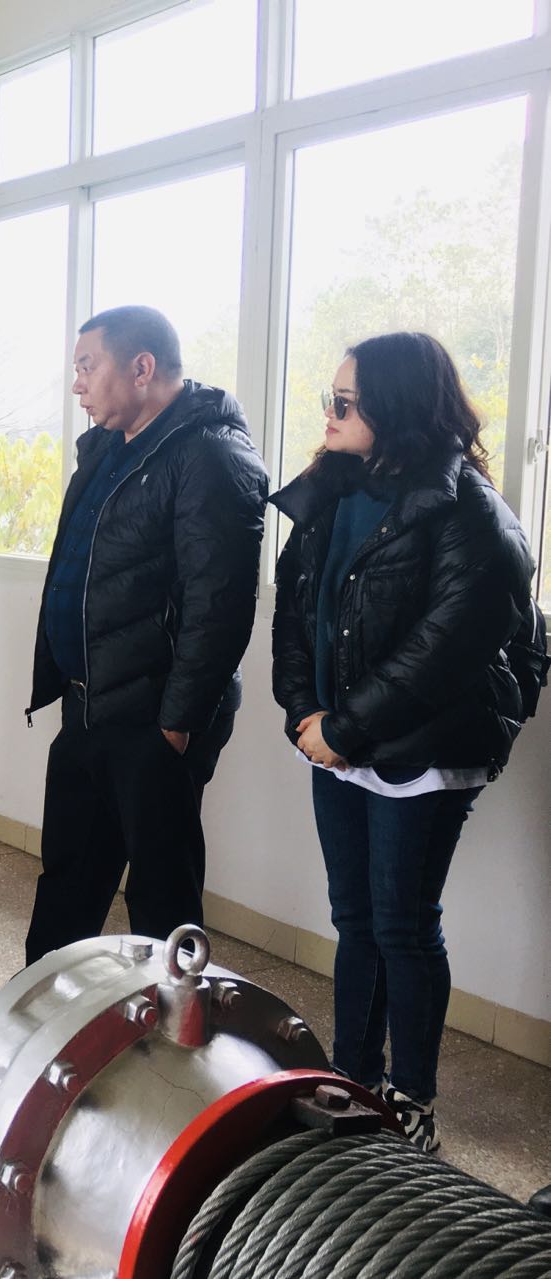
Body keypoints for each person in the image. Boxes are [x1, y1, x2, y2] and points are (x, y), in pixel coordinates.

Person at [270, 332, 537, 1153]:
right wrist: (305, 713)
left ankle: (412, 1099)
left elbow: (442, 648)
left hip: (420, 751)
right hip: (335, 743)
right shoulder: (333, 486)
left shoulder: (468, 510)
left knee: (403, 926)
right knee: (355, 919)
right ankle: (353, 1077)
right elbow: (295, 611)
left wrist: (346, 728)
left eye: (345, 402)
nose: (329, 415)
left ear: (397, 408)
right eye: (330, 399)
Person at [23, 306, 268, 965]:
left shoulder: (211, 455)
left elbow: (219, 607)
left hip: (154, 718)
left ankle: (175, 1023)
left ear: (141, 367)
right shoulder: (108, 448)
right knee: (68, 878)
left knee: (160, 896)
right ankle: (43, 1012)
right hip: (89, 704)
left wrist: (176, 725)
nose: (77, 383)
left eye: (87, 365)